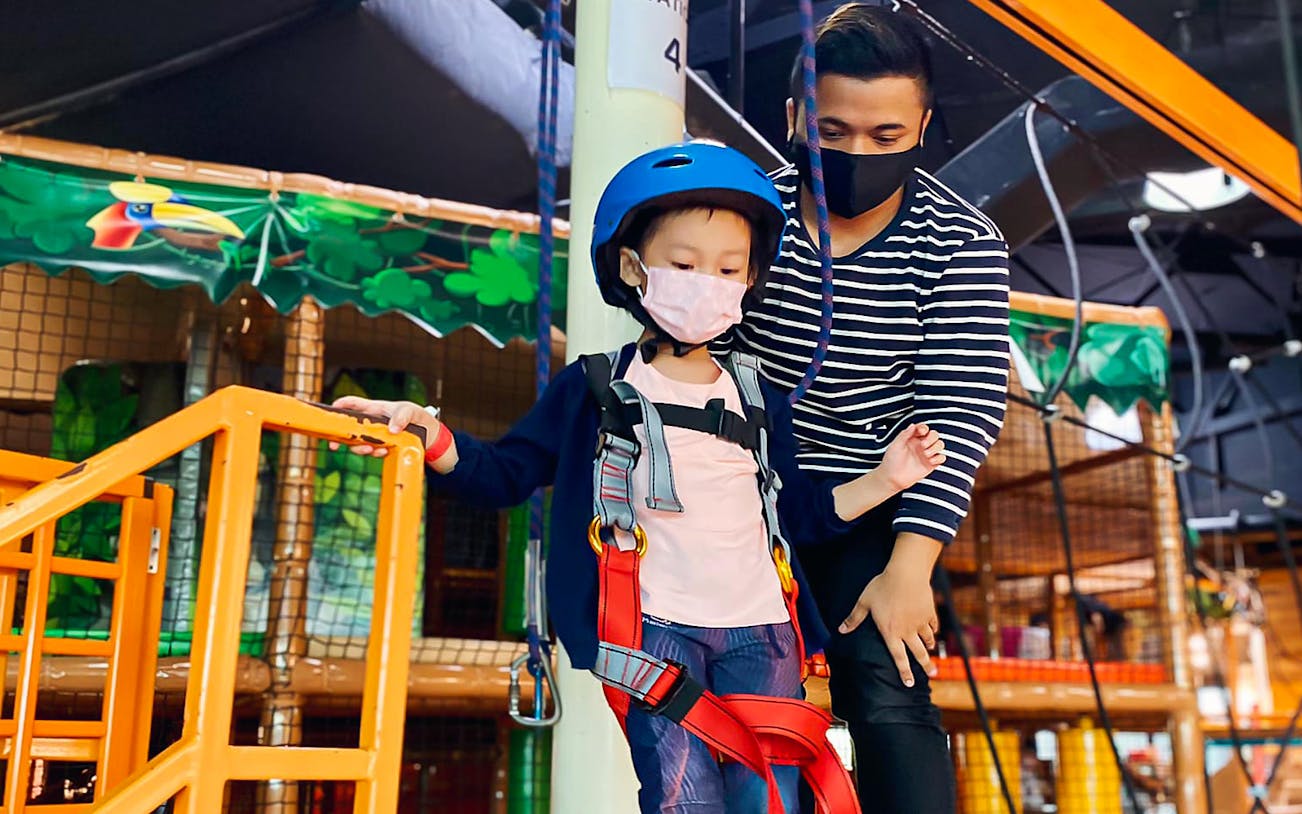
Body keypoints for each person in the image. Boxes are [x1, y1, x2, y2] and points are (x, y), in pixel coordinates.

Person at [332, 141, 947, 813]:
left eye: (727, 268)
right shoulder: (591, 391)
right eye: (684, 264)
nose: (706, 282)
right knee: (683, 799)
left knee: (768, 800)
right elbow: (506, 475)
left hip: (763, 629)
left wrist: (890, 477)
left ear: (750, 279)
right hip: (652, 633)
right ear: (633, 266)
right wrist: (429, 433)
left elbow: (795, 515)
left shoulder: (759, 398)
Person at [724, 5, 1011, 811]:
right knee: (735, 707)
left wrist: (909, 570)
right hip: (748, 500)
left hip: (874, 505)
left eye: (886, 138)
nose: (857, 153)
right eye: (834, 131)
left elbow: (960, 408)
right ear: (795, 119)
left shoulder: (960, 242)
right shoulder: (745, 219)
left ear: (921, 125)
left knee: (889, 694)